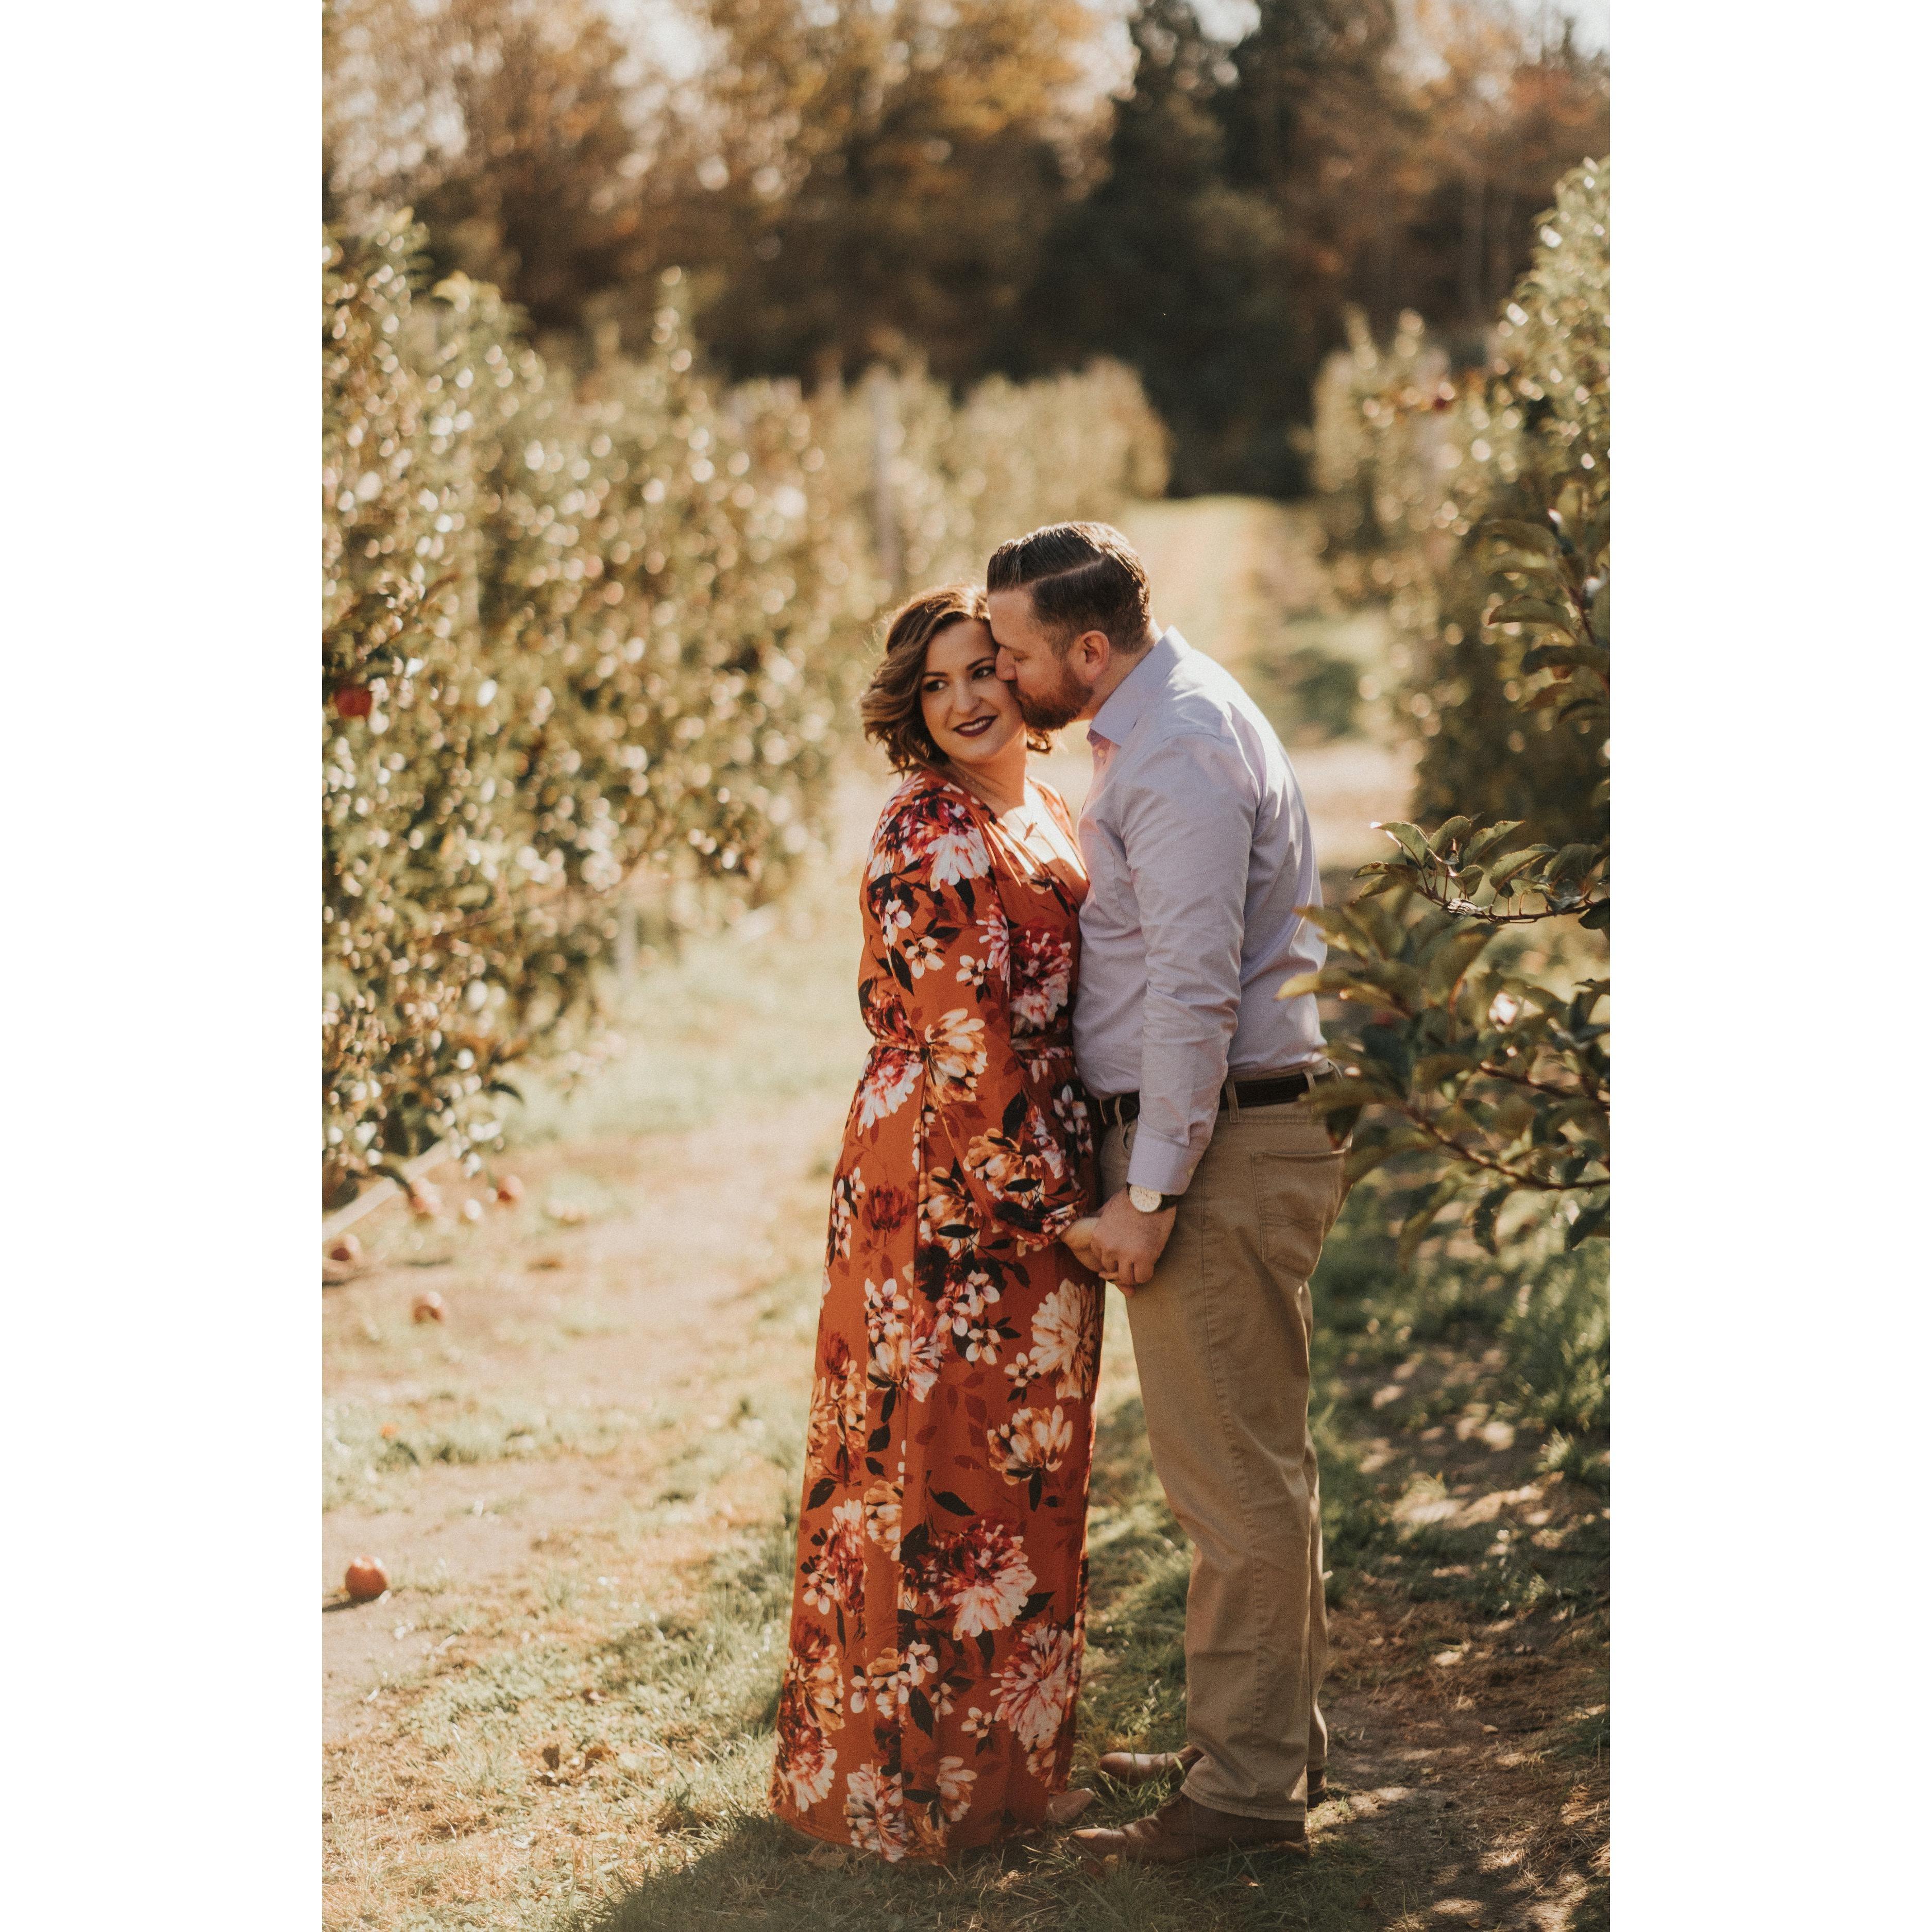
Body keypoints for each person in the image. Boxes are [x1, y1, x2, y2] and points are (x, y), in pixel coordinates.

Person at [985, 522, 1348, 1866]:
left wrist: (1146, 1193)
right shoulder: (1155, 724)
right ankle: (1258, 1735)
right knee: (1249, 1464)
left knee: (1230, 1487)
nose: (999, 670)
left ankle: (1245, 1797)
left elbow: (1194, 989)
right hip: (1226, 1139)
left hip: (1218, 1148)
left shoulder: (1181, 746)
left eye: (1013, 650)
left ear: (1085, 649)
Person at [768, 584, 1106, 1862]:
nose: (966, 700)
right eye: (937, 685)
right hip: (950, 1177)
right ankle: (915, 1795)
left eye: (984, 672)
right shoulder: (932, 829)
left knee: (1025, 1475)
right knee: (929, 1476)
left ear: (1025, 678)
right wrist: (1066, 1211)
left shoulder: (1047, 808)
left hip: (1033, 1157)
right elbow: (966, 1038)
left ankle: (1016, 1775)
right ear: (913, 710)